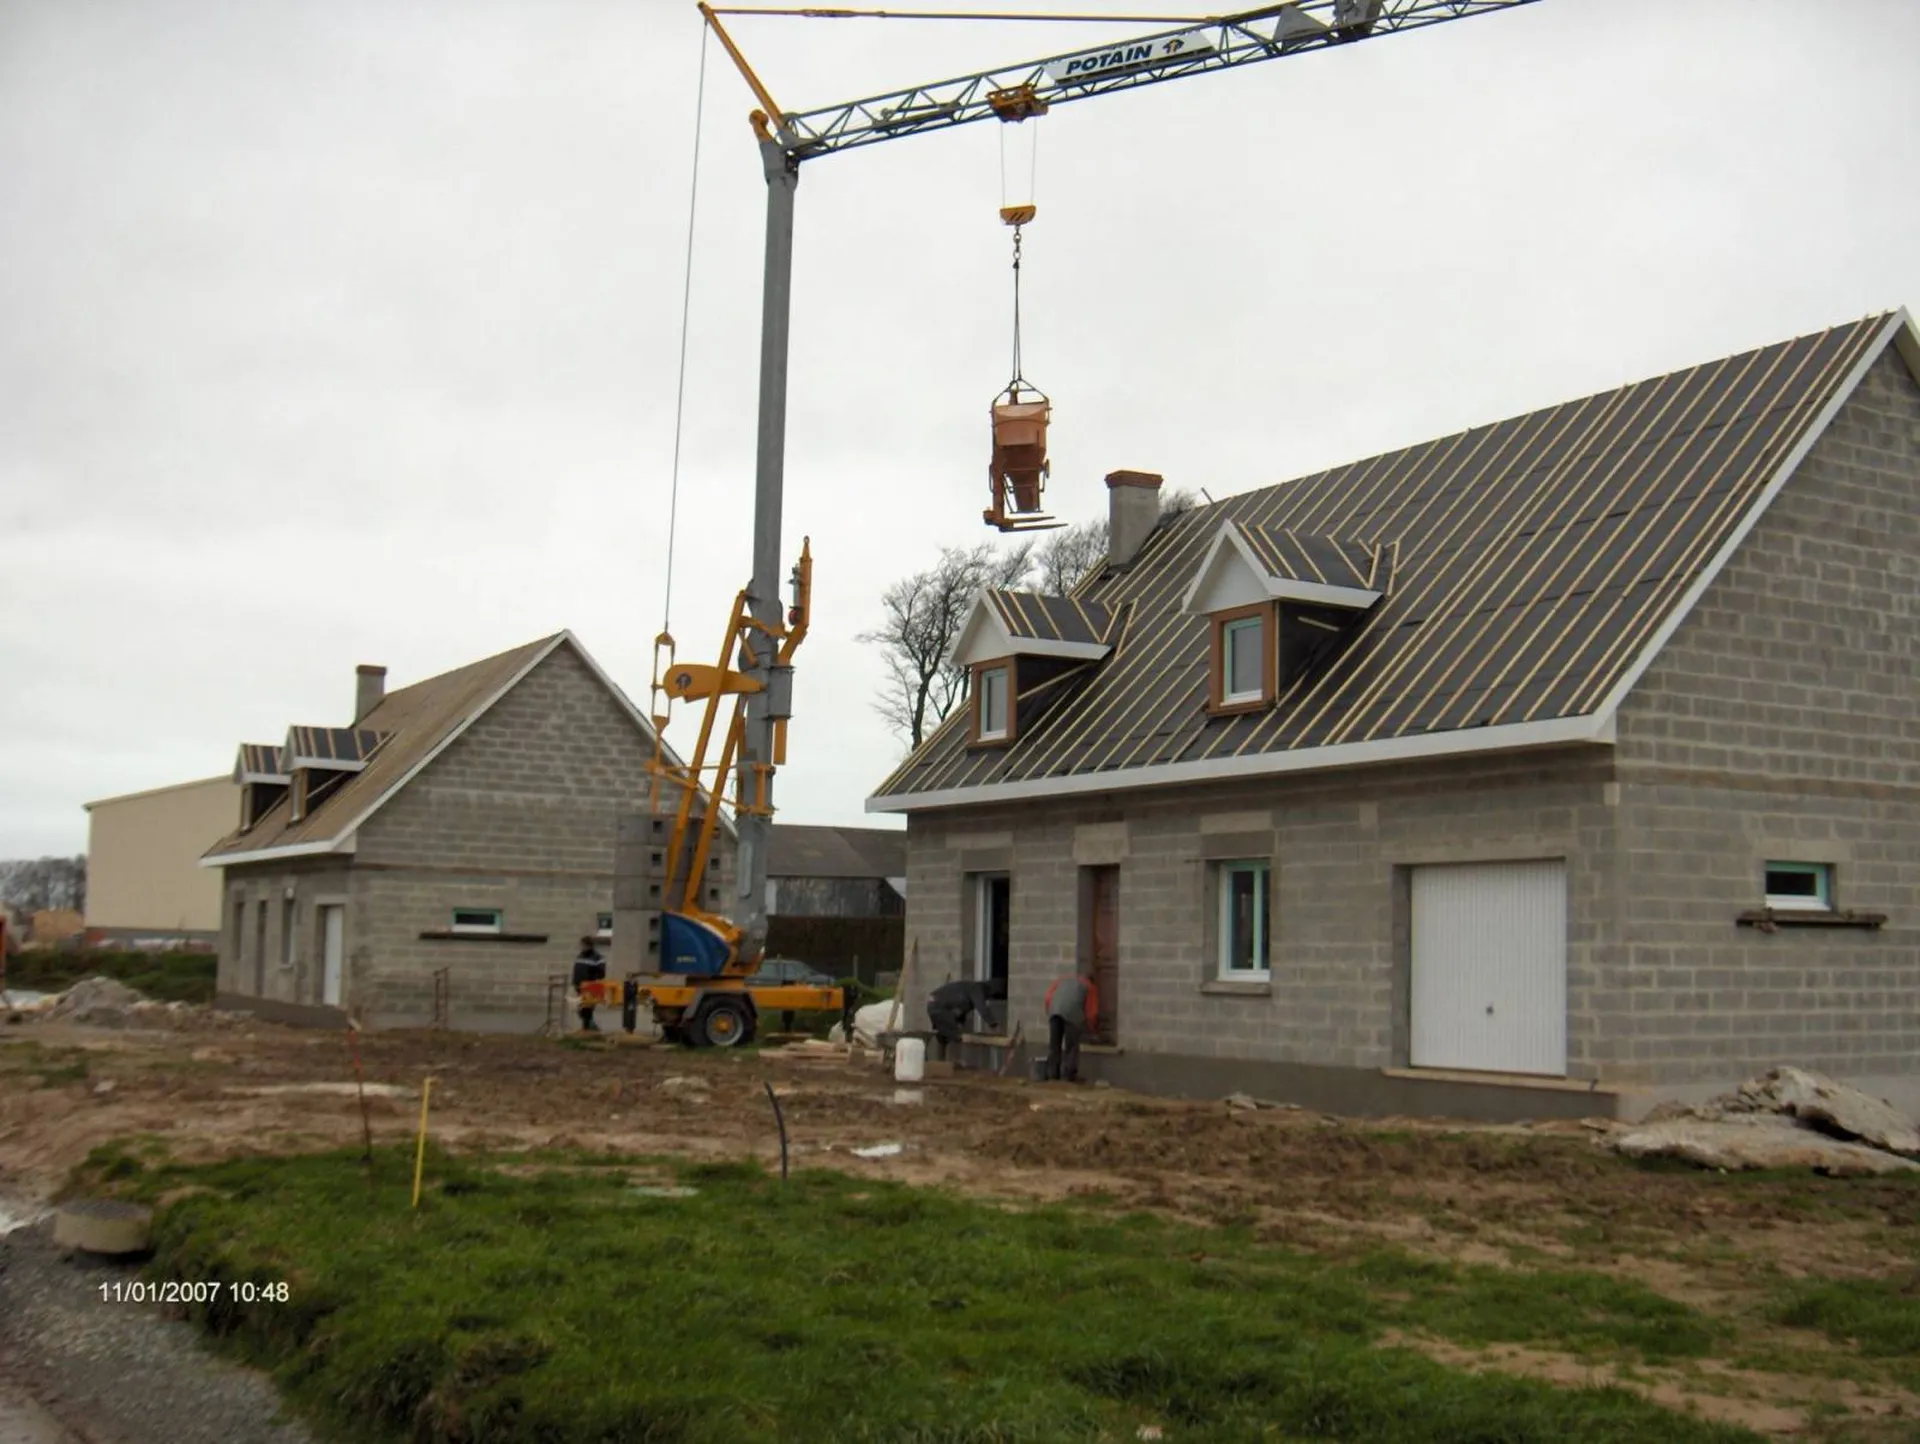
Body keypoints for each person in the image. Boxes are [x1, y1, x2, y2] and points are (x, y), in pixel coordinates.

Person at [1044, 967, 1100, 1083]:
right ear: (1091, 980)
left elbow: (1048, 996)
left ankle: (1052, 1074)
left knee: (1054, 1045)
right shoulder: (1089, 986)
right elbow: (1091, 1012)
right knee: (1072, 1046)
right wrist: (1092, 1029)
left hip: (1054, 1012)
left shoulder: (1063, 980)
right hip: (1072, 1014)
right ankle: (1069, 1076)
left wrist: (1050, 1012)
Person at [925, 978, 989, 1058]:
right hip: (940, 1008)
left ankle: (944, 1059)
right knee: (951, 1034)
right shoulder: (968, 994)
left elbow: (960, 1014)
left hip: (939, 1007)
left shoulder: (963, 999)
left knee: (947, 1033)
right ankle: (945, 1059)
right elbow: (981, 1009)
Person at [571, 934, 607, 1032]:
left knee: (587, 1009)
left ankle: (588, 1028)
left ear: (589, 945)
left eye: (583, 945)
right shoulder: (580, 956)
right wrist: (575, 983)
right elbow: (576, 971)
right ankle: (587, 1027)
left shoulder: (597, 958)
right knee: (582, 1009)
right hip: (579, 986)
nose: (582, 947)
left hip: (591, 987)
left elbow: (601, 973)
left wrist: (590, 979)